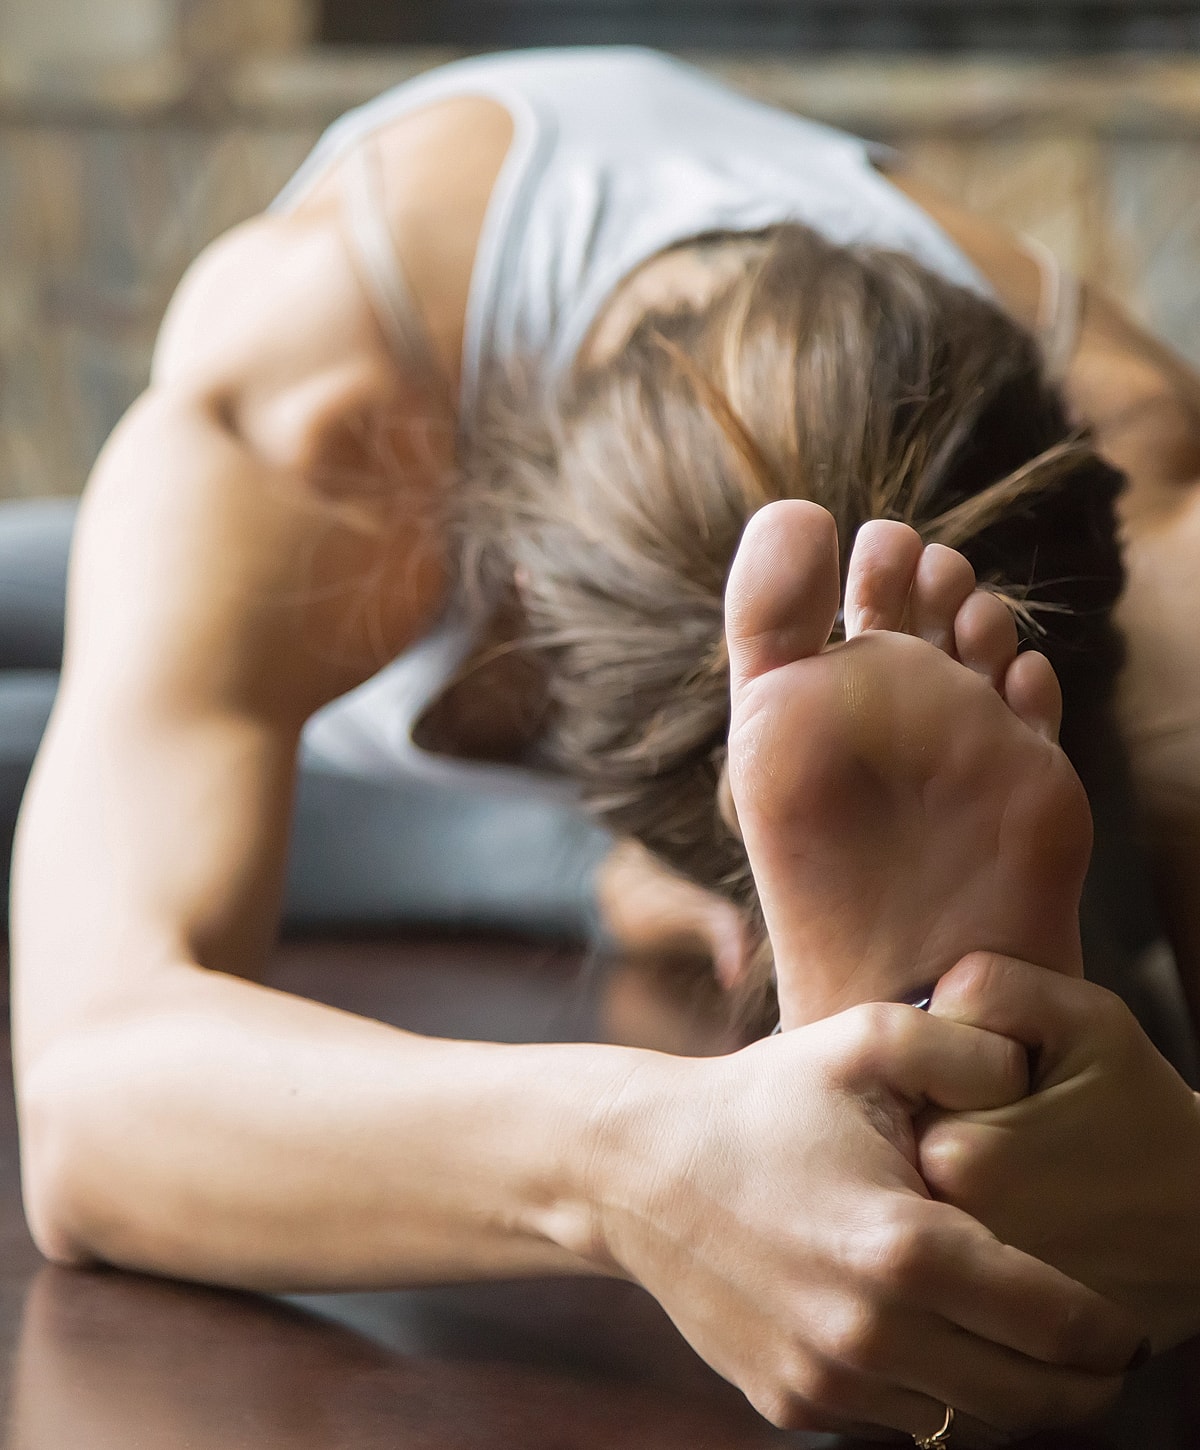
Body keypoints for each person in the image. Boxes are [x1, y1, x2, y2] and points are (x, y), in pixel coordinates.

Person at [10, 47, 1200, 1443]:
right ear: (518, 629)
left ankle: (879, 983)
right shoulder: (318, 385)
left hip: (547, 820)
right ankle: (919, 995)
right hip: (360, 745)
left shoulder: (1145, 484)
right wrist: (639, 1161)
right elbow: (91, 1099)